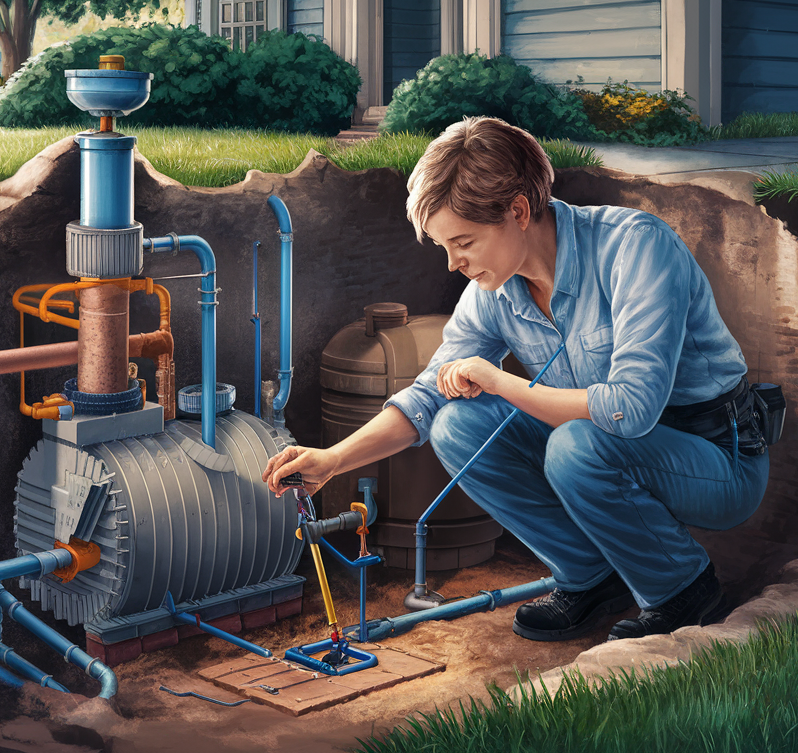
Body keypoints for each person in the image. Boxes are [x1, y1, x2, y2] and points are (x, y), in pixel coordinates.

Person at [262, 116, 770, 642]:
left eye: (464, 242)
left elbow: (633, 409)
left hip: (714, 457)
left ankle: (684, 589)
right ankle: (591, 574)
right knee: (458, 423)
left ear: (518, 211)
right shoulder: (494, 291)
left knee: (575, 446)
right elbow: (427, 397)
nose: (455, 264)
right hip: (608, 447)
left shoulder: (635, 248)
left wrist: (502, 383)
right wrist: (333, 460)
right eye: (444, 248)